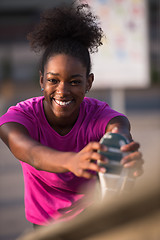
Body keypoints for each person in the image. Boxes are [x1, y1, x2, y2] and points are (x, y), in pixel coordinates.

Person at [0, 3, 143, 227]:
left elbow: (118, 128)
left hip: (91, 221)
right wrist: (72, 161)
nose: (63, 90)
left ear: (89, 83)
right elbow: (31, 153)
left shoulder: (101, 116)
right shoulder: (21, 117)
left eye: (75, 81)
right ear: (41, 81)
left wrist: (123, 155)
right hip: (44, 226)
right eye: (53, 80)